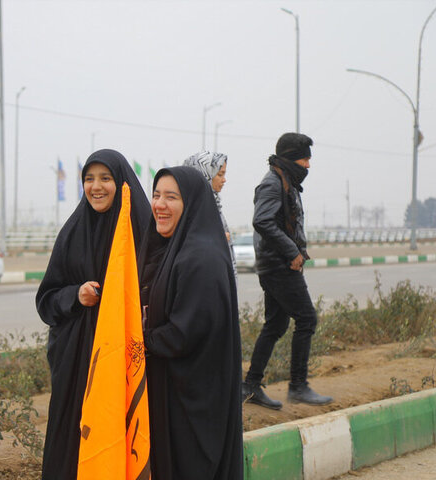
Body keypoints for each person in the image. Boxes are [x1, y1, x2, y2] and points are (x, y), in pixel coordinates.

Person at [35, 149, 151, 480]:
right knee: (73, 444)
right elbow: (46, 300)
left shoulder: (142, 233)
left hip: (126, 364)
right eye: (89, 179)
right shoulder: (72, 234)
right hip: (77, 366)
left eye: (105, 178)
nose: (95, 187)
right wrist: (75, 295)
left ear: (123, 183)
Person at [138, 166, 243, 480]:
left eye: (172, 197)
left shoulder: (201, 257)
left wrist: (138, 338)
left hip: (195, 403)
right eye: (156, 195)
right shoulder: (178, 248)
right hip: (184, 393)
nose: (159, 204)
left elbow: (184, 333)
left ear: (193, 203)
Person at [242, 132, 332, 410]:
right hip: (278, 267)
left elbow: (285, 224)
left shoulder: (285, 181)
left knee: (276, 325)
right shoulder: (272, 184)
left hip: (276, 264)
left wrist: (298, 250)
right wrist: (291, 251)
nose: (308, 165)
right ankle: (298, 386)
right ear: (292, 158)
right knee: (307, 319)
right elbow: (263, 221)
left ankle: (250, 385)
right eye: (305, 158)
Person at [183, 151, 237, 278]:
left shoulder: (214, 203)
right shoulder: (194, 208)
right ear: (205, 175)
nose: (224, 180)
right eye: (220, 174)